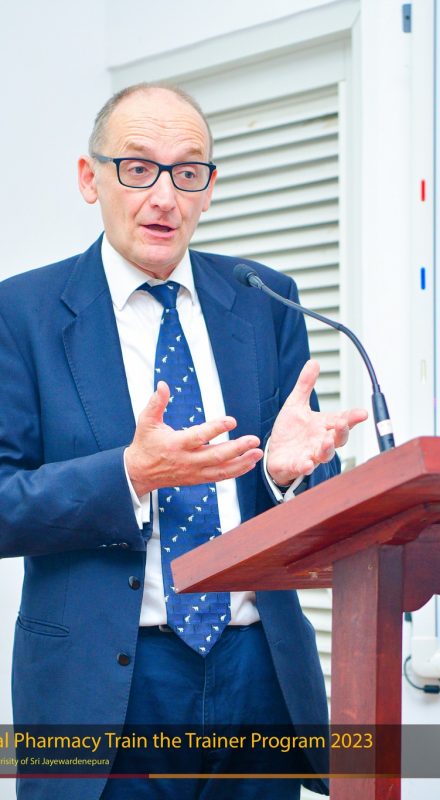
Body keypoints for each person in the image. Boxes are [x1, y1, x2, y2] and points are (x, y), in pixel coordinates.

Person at [0, 83, 367, 800]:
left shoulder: (263, 300)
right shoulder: (23, 313)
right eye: (138, 168)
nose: (164, 197)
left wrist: (288, 478)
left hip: (256, 669)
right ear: (90, 178)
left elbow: (308, 495)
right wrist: (130, 476)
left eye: (187, 172)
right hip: (106, 684)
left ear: (209, 188)